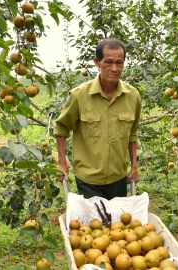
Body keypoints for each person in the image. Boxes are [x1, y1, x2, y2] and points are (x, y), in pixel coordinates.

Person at [54, 38, 141, 200]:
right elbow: (61, 128)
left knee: (118, 224)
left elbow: (132, 134)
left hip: (119, 178)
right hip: (89, 180)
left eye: (119, 63)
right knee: (93, 224)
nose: (114, 68)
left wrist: (134, 166)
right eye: (108, 62)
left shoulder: (133, 96)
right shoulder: (79, 95)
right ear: (97, 62)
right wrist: (62, 162)